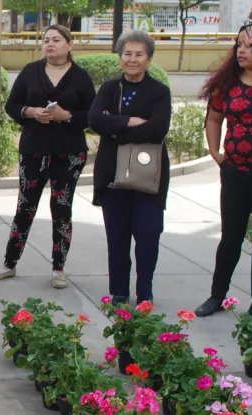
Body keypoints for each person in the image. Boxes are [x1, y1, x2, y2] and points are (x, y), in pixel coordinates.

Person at [0, 25, 95, 288]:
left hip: (69, 153)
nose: (50, 44)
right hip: (34, 150)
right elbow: (12, 106)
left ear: (70, 45)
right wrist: (31, 112)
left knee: (61, 209)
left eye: (57, 40)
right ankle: (9, 263)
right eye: (46, 40)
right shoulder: (30, 72)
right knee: (25, 207)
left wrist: (66, 116)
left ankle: (59, 268)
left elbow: (93, 114)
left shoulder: (80, 77)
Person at [88, 30, 172, 306]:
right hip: (112, 173)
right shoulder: (110, 88)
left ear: (149, 59)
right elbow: (95, 120)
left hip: (149, 176)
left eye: (139, 54)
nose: (132, 60)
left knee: (148, 234)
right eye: (127, 53)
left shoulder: (160, 92)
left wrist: (117, 127)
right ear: (120, 56)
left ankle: (144, 292)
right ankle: (119, 292)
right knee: (118, 237)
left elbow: (158, 128)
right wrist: (133, 122)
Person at [195, 23, 252, 317]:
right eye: (240, 45)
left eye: (251, 46)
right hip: (235, 174)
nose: (242, 51)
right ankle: (217, 295)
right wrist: (216, 152)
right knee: (230, 237)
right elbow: (215, 118)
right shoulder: (228, 84)